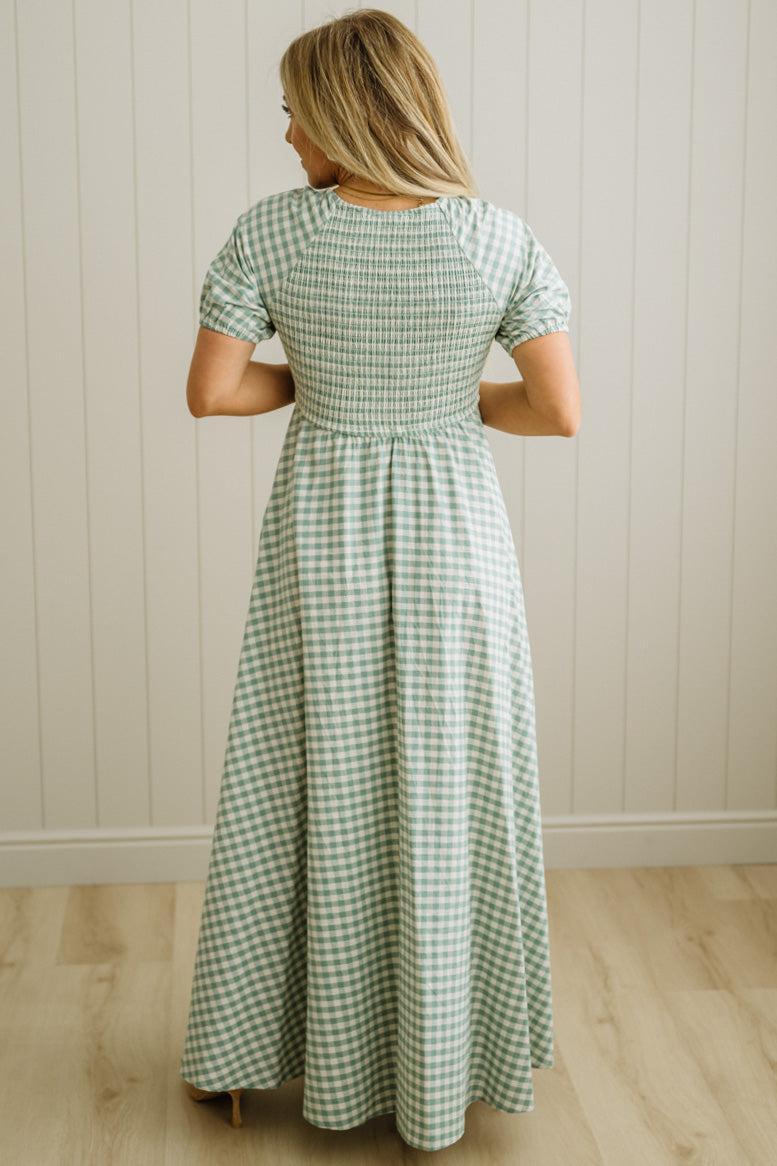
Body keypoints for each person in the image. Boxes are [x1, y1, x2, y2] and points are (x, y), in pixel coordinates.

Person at [179, 7, 580, 1154]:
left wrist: (323, 382)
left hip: (323, 542)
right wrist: (446, 395)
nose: (287, 132)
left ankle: (252, 1053)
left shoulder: (272, 233)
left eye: (296, 111)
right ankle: (447, 1060)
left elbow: (213, 392)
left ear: (346, 115)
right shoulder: (498, 237)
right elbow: (558, 411)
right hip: (458, 543)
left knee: (298, 779)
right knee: (454, 786)